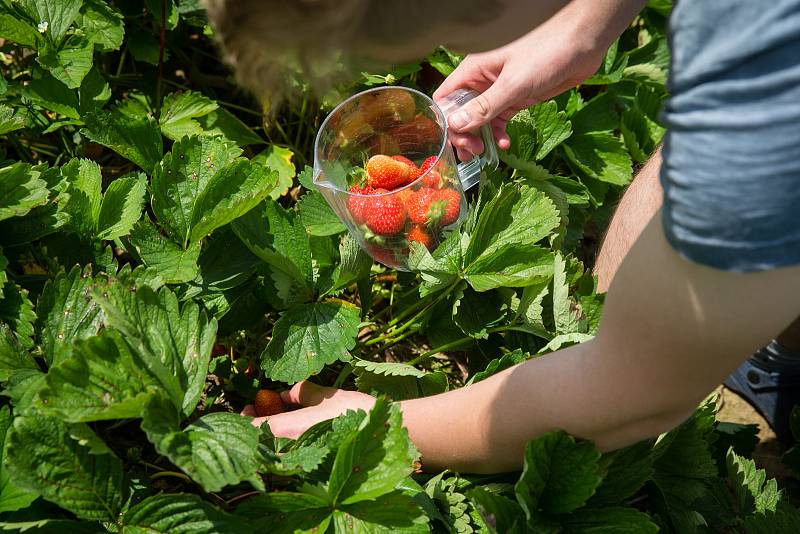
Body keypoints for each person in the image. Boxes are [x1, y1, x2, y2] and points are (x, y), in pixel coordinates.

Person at [208, 0, 800, 472]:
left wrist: (380, 423)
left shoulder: (764, 111)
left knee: (654, 329)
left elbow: (630, 396)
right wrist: (585, 21)